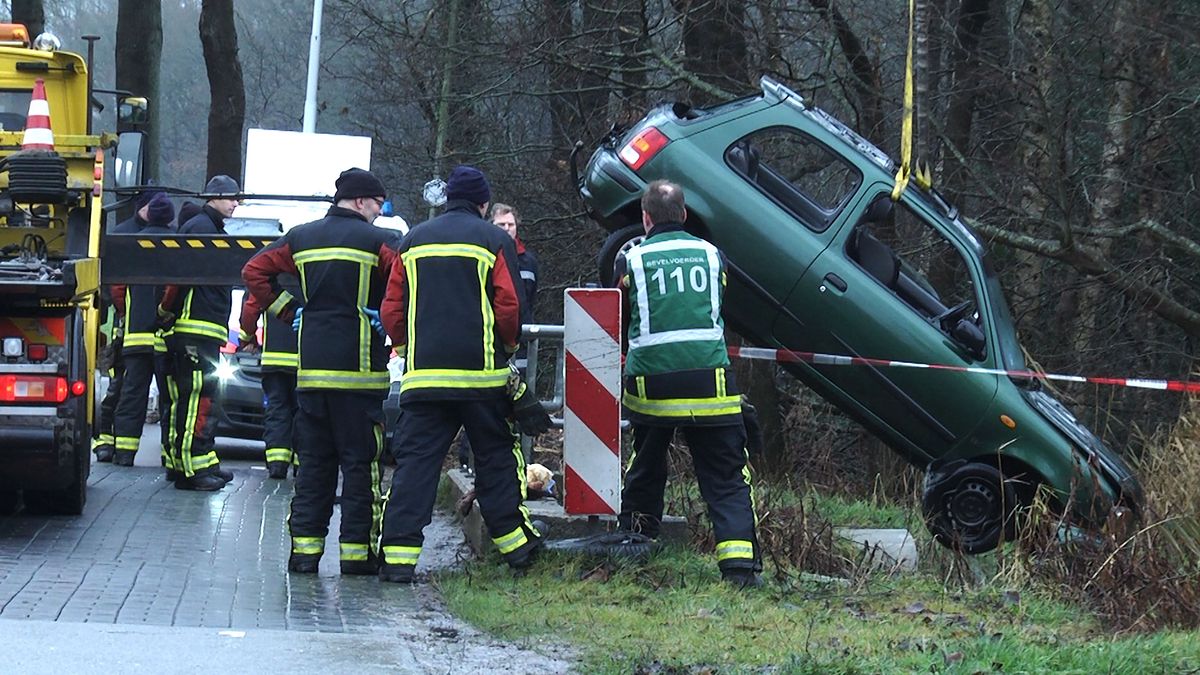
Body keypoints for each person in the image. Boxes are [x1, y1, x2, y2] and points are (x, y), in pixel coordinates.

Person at [377, 165, 550, 584]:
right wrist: (506, 348)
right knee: (496, 461)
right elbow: (508, 306)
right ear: (483, 203)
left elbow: (392, 309)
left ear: (447, 198)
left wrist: (408, 347)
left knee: (415, 468)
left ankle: (397, 559)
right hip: (481, 381)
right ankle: (518, 549)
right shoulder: (493, 239)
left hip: (425, 380)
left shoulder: (412, 240)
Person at [242, 167, 397, 576]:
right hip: (361, 379)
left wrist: (288, 310)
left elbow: (253, 271)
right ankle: (356, 557)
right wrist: (387, 318)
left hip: (310, 376)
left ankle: (304, 555)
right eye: (377, 205)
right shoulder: (379, 242)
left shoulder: (301, 238)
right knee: (360, 469)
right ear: (361, 201)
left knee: (313, 468)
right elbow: (407, 279)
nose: (378, 213)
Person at [614, 179, 762, 588]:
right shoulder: (713, 256)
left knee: (645, 466)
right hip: (709, 384)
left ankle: (636, 542)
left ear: (645, 218)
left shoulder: (631, 260)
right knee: (726, 477)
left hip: (651, 387)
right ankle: (739, 568)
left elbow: (620, 312)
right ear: (683, 214)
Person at [158, 175, 240, 490]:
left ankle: (195, 461)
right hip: (194, 329)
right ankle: (191, 470)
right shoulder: (201, 229)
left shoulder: (209, 228)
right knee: (196, 398)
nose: (235, 203)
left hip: (201, 329)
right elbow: (178, 279)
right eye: (231, 197)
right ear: (213, 197)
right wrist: (166, 312)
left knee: (196, 399)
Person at [457, 203, 539, 471]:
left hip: (521, 342)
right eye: (501, 225)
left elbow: (528, 301)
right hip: (489, 343)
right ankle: (469, 461)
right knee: (482, 404)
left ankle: (524, 461)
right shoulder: (484, 253)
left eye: (510, 225)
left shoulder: (528, 261)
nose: (506, 229)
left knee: (520, 400)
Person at [91, 189, 162, 463]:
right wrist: (124, 313)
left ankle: (117, 446)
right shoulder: (124, 235)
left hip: (130, 329)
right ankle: (105, 442)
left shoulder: (143, 235)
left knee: (125, 390)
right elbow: (115, 288)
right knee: (117, 388)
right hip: (120, 330)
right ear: (141, 207)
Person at [108, 192, 176, 466]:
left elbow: (117, 288)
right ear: (170, 217)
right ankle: (169, 454)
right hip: (165, 336)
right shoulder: (178, 244)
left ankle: (125, 452)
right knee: (169, 398)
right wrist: (163, 313)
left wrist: (127, 312)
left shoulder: (132, 244)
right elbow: (175, 287)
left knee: (132, 394)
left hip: (135, 335)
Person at [237, 274, 301, 479]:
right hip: (307, 360)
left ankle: (277, 464)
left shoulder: (271, 275)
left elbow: (250, 308)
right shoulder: (313, 271)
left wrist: (247, 339)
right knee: (305, 412)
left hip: (275, 360)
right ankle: (302, 464)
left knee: (277, 409)